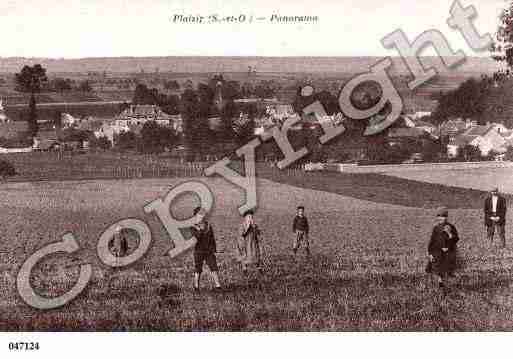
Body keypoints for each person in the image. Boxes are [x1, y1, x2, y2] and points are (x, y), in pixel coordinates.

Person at [190, 207, 221, 292]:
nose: (201, 217)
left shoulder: (208, 225)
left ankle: (218, 286)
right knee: (198, 269)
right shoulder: (193, 227)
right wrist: (199, 229)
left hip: (208, 250)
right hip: (198, 251)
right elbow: (197, 237)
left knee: (213, 266)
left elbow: (212, 238)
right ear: (195, 216)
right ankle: (196, 287)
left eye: (202, 215)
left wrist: (214, 248)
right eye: (199, 215)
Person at [427, 207, 459, 288]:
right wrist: (430, 253)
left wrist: (449, 234)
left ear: (447, 217)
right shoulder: (436, 228)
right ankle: (439, 282)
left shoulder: (451, 227)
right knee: (437, 267)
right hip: (437, 251)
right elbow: (432, 241)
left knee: (447, 268)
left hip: (448, 251)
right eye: (439, 216)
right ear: (437, 217)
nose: (442, 218)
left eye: (444, 216)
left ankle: (446, 281)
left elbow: (456, 239)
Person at [237, 210, 263, 276]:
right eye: (249, 217)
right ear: (245, 218)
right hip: (245, 244)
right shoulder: (242, 225)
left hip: (253, 243)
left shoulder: (254, 225)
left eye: (251, 217)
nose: (250, 218)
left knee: (256, 255)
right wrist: (248, 227)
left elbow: (258, 233)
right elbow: (242, 234)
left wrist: (254, 227)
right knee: (245, 256)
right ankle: (244, 269)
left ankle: (259, 268)